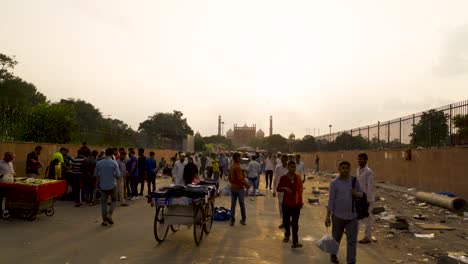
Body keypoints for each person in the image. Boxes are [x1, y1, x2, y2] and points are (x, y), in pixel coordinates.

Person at [325, 161, 363, 264]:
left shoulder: (355, 181)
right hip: (338, 216)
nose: (345, 170)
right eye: (343, 168)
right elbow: (331, 200)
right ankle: (333, 255)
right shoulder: (334, 183)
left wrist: (356, 194)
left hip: (352, 217)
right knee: (336, 239)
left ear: (350, 169)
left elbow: (362, 194)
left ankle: (351, 261)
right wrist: (328, 216)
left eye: (347, 168)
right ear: (339, 169)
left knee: (352, 241)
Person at [276, 160, 304, 248]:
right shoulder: (283, 178)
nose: (293, 169)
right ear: (288, 168)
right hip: (286, 203)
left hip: (296, 204)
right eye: (291, 167)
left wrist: (301, 201)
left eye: (294, 167)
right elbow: (278, 188)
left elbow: (300, 190)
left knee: (295, 223)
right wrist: (285, 188)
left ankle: (295, 242)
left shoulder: (298, 177)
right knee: (286, 221)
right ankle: (287, 235)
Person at [94, 148, 121, 226]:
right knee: (114, 200)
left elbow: (96, 174)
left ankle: (104, 221)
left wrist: (97, 184)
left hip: (103, 186)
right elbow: (118, 175)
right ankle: (109, 215)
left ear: (105, 153)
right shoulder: (114, 163)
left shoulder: (99, 163)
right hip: (112, 185)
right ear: (112, 154)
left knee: (103, 204)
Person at [356, 153, 375, 244]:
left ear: (366, 160)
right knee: (358, 216)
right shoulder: (358, 170)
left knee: (367, 218)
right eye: (358, 159)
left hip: (367, 199)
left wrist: (368, 200)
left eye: (361, 159)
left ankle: (367, 237)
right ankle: (354, 233)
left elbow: (370, 187)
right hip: (359, 197)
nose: (359, 161)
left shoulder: (369, 172)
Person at [229, 152, 250, 226]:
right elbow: (239, 179)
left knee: (233, 205)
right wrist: (246, 184)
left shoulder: (232, 166)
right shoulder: (237, 167)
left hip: (233, 187)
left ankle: (232, 220)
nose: (240, 158)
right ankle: (243, 219)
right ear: (236, 158)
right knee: (242, 204)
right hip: (239, 188)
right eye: (239, 157)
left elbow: (230, 178)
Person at [273, 154, 289, 228]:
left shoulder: (289, 168)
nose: (283, 161)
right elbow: (275, 179)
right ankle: (283, 221)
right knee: (281, 206)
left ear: (286, 160)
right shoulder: (278, 168)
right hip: (280, 190)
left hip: (288, 191)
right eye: (282, 159)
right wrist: (273, 190)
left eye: (284, 159)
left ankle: (288, 221)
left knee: (288, 206)